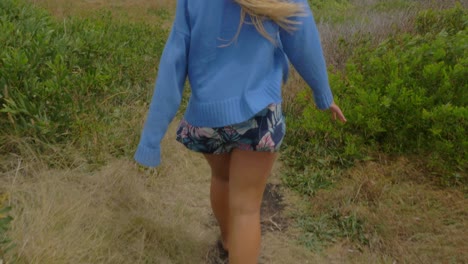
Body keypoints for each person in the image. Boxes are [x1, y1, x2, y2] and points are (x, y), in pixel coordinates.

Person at [134, 0, 346, 263]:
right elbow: (303, 40)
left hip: (208, 118)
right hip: (260, 114)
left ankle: (227, 243)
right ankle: (234, 247)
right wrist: (323, 94)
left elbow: (174, 58)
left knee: (222, 180)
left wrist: (151, 138)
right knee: (246, 209)